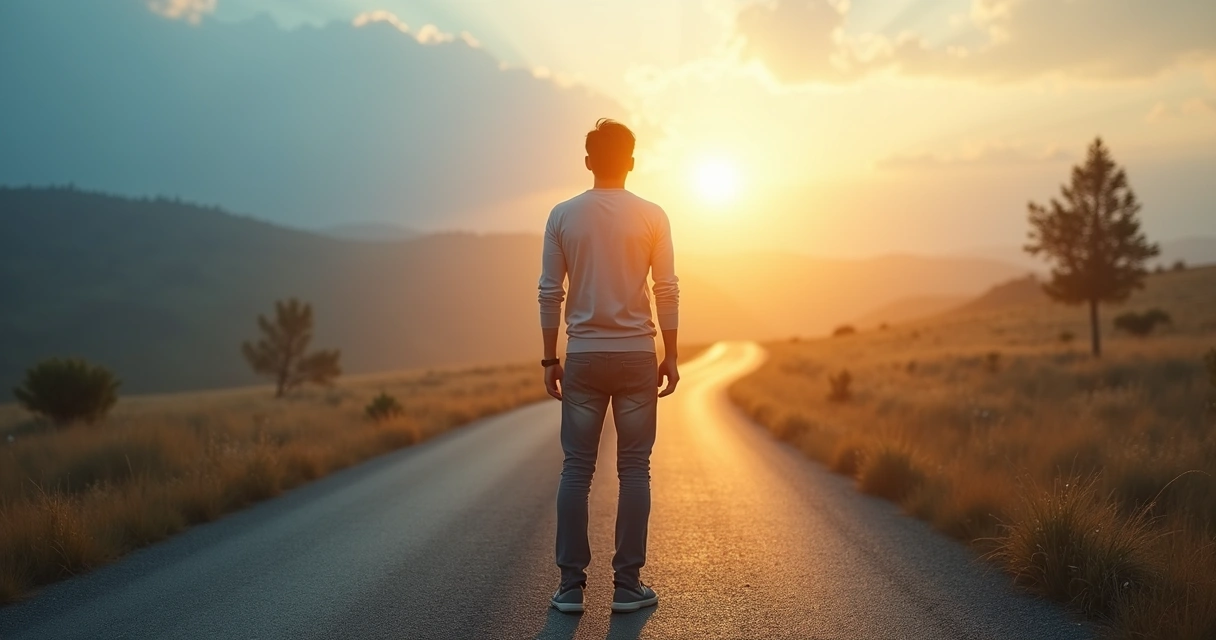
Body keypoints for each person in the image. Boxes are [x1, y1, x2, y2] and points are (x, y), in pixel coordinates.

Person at [538, 118, 681, 614]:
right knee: (634, 469)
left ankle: (570, 588)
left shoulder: (562, 215)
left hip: (582, 356)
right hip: (638, 354)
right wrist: (673, 353)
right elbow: (667, 288)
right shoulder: (653, 216)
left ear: (588, 162)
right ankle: (627, 586)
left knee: (576, 469)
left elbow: (549, 293)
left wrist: (549, 358)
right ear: (631, 162)